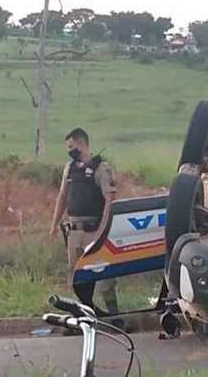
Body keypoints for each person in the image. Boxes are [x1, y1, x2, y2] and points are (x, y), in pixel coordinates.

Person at [49, 128, 119, 314]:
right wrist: (54, 225)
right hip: (74, 232)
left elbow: (110, 201)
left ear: (81, 143)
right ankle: (85, 315)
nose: (69, 151)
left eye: (71, 146)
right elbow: (62, 197)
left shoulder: (101, 168)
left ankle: (114, 316)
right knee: (78, 279)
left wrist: (103, 230)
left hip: (94, 231)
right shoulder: (69, 168)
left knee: (104, 277)